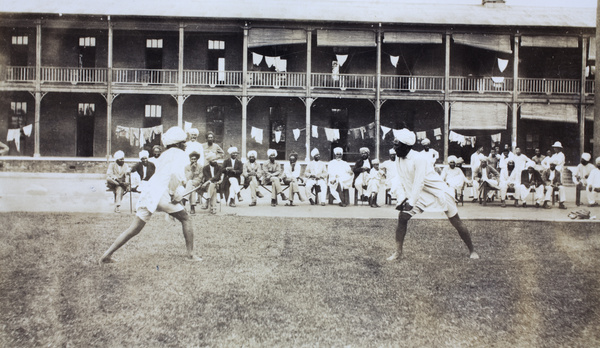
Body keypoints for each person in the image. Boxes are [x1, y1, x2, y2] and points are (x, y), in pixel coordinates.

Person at [100, 127, 202, 263]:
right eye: (183, 142)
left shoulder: (164, 154)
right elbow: (175, 175)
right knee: (186, 219)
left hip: (149, 193)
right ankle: (190, 255)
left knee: (134, 228)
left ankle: (106, 255)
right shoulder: (180, 154)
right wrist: (175, 193)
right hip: (162, 194)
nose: (185, 145)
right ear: (177, 143)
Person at [387, 128, 478, 261]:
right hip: (418, 195)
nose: (394, 148)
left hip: (439, 192)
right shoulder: (398, 158)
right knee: (402, 217)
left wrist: (411, 202)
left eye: (396, 145)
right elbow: (402, 179)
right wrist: (402, 199)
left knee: (455, 221)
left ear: (406, 146)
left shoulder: (419, 159)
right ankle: (398, 252)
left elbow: (419, 182)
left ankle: (472, 250)